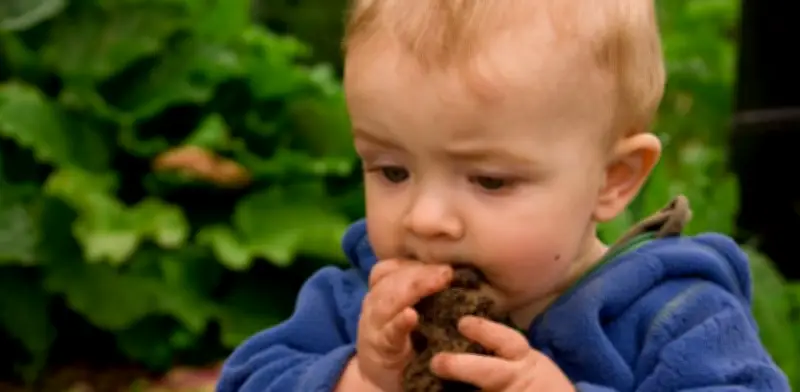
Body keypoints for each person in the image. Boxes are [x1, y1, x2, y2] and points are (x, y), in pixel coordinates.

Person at [215, 0, 791, 390]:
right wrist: (359, 379)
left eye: (490, 180)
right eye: (392, 171)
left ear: (613, 179)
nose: (427, 218)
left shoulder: (675, 317)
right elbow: (246, 378)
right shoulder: (361, 306)